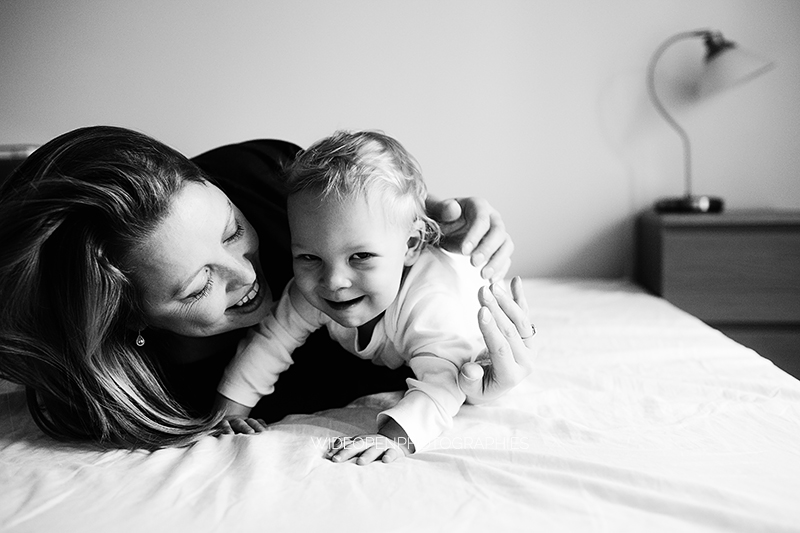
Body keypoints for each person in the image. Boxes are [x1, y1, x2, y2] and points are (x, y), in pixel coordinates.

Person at [0, 125, 535, 450]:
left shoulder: (261, 175)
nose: (250, 275)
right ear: (130, 318)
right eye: (199, 286)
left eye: (232, 230)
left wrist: (447, 222)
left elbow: (368, 201)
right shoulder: (152, 393)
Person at [215, 131, 537, 464]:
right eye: (309, 257)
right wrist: (228, 412)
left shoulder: (431, 305)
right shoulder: (308, 290)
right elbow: (271, 341)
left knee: (461, 370)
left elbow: (444, 384)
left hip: (475, 335)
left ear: (411, 245)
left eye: (361, 257)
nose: (334, 281)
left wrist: (392, 439)